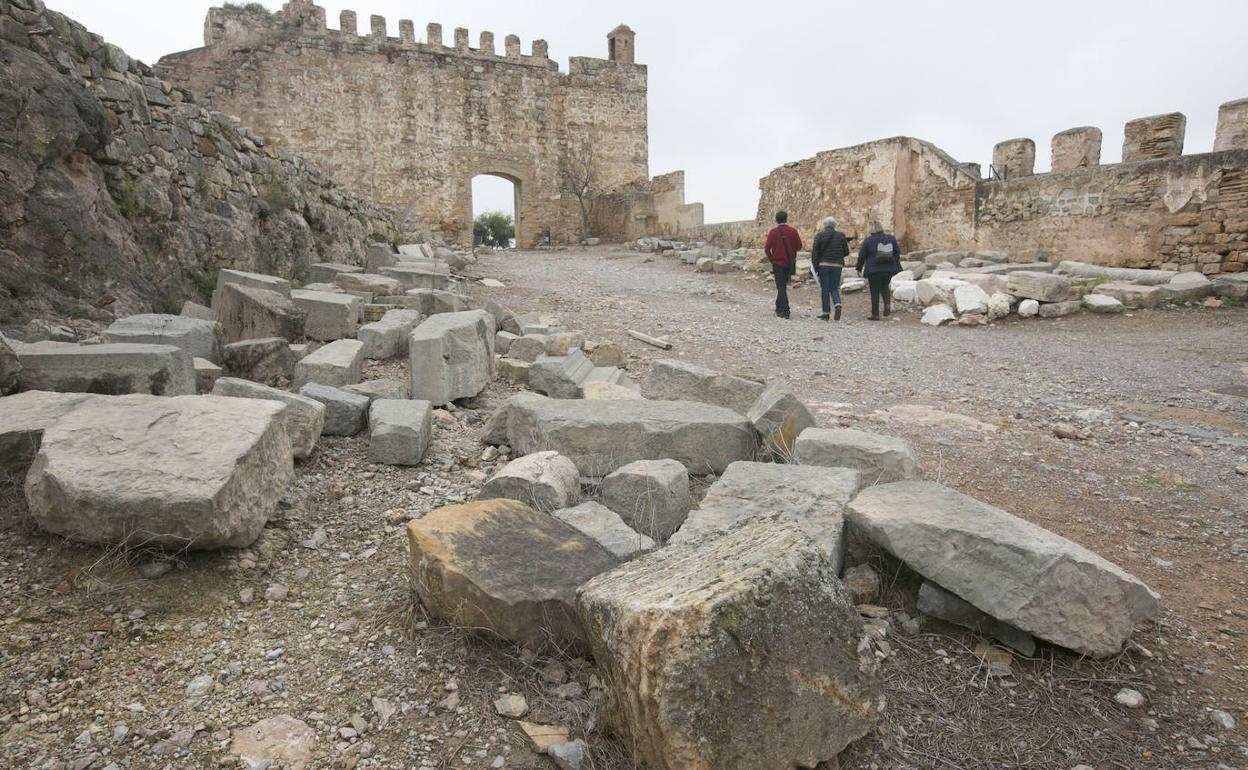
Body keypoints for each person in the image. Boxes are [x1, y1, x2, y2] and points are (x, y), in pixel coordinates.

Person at [856, 219, 902, 320]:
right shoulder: (891, 238)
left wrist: (858, 268)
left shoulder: (868, 240)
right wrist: (895, 262)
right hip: (889, 268)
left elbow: (862, 256)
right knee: (885, 287)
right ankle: (887, 304)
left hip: (874, 269)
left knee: (874, 291)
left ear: (871, 229)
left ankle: (875, 314)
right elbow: (897, 252)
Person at [764, 210, 803, 319]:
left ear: (776, 220)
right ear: (786, 219)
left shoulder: (773, 232)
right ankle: (778, 308)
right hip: (789, 263)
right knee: (783, 286)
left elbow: (767, 249)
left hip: (777, 263)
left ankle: (785, 311)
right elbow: (799, 246)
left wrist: (772, 260)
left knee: (781, 287)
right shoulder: (793, 231)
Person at [810, 216, 849, 321]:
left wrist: (815, 268)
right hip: (837, 265)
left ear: (824, 225)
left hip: (824, 265)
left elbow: (815, 253)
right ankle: (837, 304)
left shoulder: (819, 236)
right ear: (835, 225)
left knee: (825, 289)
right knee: (834, 287)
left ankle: (826, 313)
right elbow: (846, 252)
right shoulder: (841, 236)